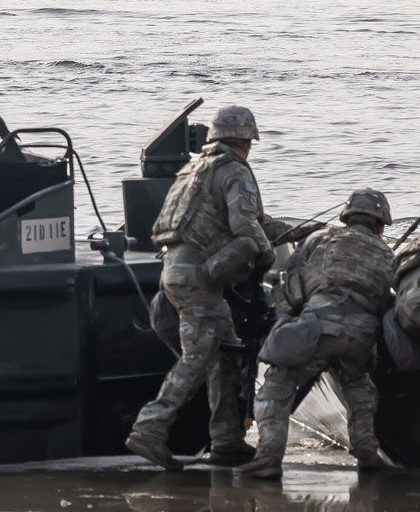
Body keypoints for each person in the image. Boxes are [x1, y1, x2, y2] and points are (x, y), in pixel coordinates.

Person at [126, 104, 291, 471]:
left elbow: (243, 222)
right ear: (247, 140)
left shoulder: (193, 169)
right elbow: (248, 229)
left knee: (226, 353)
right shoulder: (234, 170)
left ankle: (227, 440)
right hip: (199, 277)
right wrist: (265, 258)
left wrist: (291, 230)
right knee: (199, 356)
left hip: (176, 268)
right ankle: (150, 428)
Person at [243, 188, 399, 479]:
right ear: (381, 225)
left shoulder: (320, 238)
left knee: (278, 384)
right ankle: (366, 453)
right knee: (359, 387)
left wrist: (289, 313)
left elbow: (294, 282)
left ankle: (267, 458)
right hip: (362, 336)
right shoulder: (387, 253)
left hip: (319, 328)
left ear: (347, 218)